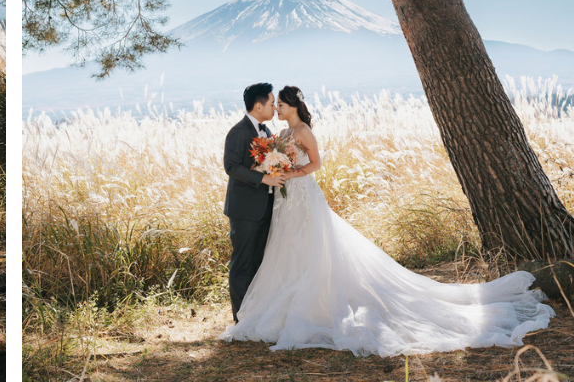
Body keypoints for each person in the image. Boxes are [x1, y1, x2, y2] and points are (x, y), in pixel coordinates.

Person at [221, 84, 553, 356]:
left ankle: (311, 306)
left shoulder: (304, 131)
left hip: (303, 196)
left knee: (310, 250)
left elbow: (316, 165)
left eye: (280, 103)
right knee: (286, 250)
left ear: (292, 106)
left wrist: (290, 171)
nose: (276, 107)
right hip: (285, 202)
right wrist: (274, 170)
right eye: (273, 103)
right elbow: (257, 162)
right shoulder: (278, 130)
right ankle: (274, 307)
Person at [223, 82, 285, 321]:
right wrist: (264, 179)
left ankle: (256, 313)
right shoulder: (238, 132)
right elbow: (231, 166)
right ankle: (241, 319)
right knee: (242, 263)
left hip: (265, 208)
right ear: (258, 106)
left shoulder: (266, 132)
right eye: (271, 104)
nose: (274, 108)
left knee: (259, 262)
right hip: (245, 209)